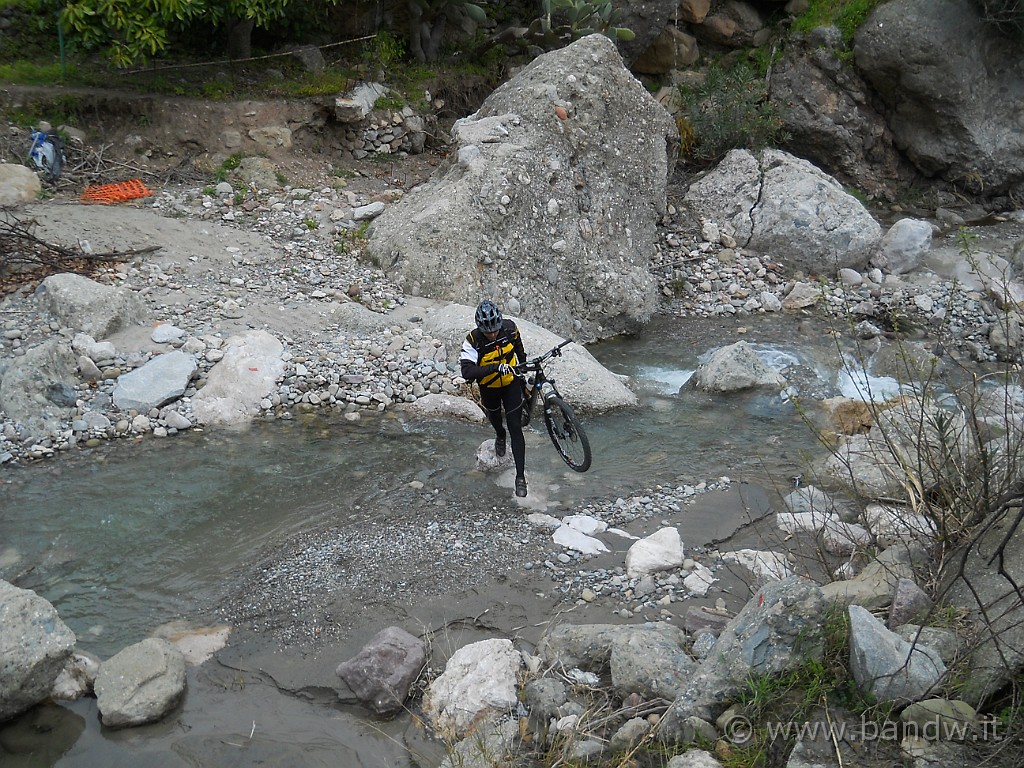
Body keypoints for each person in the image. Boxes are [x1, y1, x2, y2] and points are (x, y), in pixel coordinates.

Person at [460, 299, 529, 497]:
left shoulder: (509, 329)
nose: (492, 334)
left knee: (515, 427)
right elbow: (467, 371)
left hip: (510, 384)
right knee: (497, 420)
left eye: (495, 330)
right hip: (489, 387)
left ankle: (520, 478)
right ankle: (500, 434)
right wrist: (495, 367)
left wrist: (522, 366)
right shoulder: (473, 340)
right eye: (488, 331)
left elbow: (518, 348)